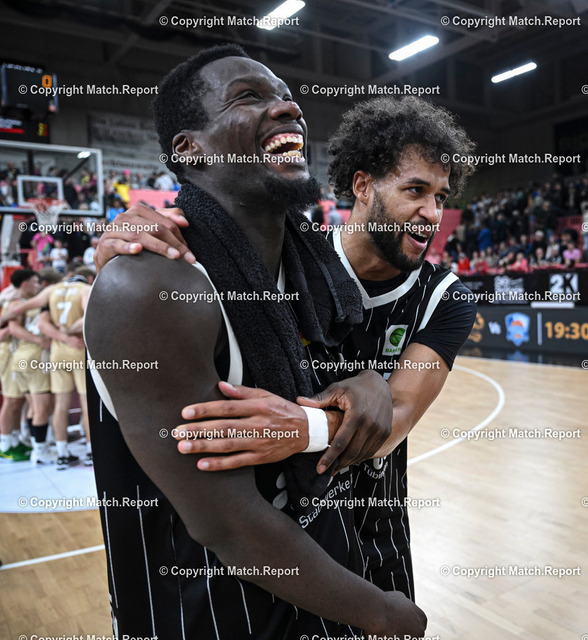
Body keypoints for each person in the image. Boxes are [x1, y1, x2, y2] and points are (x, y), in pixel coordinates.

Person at [85, 45, 426, 639]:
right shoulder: (148, 284)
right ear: (189, 149)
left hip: (319, 593)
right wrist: (385, 613)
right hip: (205, 615)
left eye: (287, 96)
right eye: (248, 97)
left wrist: (369, 380)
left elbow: (342, 391)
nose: (289, 108)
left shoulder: (313, 267)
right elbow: (227, 523)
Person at [0, 270, 40, 461]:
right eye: (35, 282)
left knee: (17, 400)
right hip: (7, 352)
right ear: (25, 284)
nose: (38, 285)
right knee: (10, 400)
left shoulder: (19, 300)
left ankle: (14, 440)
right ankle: (5, 444)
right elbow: (10, 329)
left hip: (15, 351)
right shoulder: (13, 301)